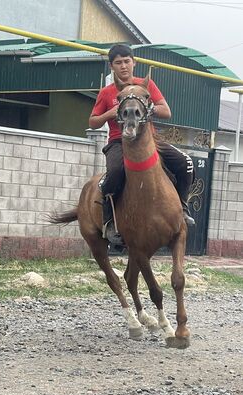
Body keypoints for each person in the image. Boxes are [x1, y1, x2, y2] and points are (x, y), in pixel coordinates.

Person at [89, 44, 195, 245]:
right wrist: (108, 114)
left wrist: (149, 108)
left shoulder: (146, 86)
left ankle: (182, 208)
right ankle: (109, 221)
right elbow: (92, 122)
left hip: (149, 141)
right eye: (118, 63)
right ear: (111, 66)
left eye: (127, 61)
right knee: (114, 174)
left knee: (186, 162)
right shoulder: (106, 93)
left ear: (134, 62)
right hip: (119, 142)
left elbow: (166, 111)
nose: (123, 66)